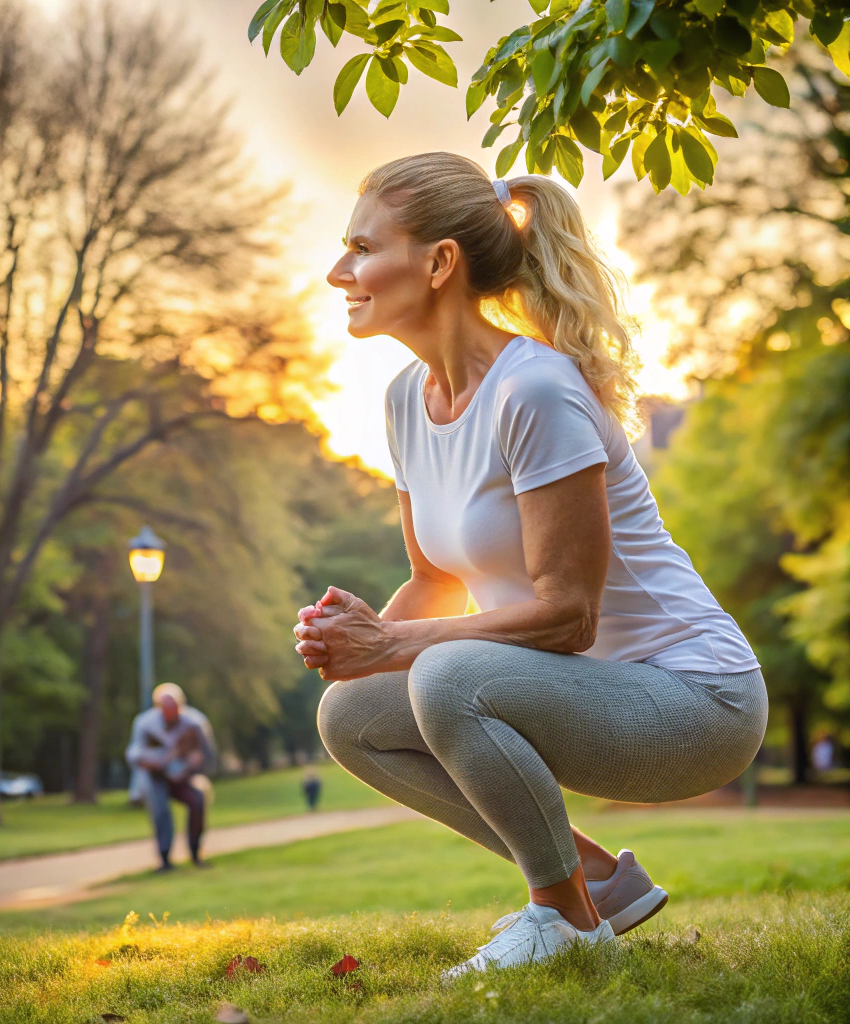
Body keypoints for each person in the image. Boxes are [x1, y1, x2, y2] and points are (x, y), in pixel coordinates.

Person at [300, 153, 766, 982]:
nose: (340, 271)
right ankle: (593, 884)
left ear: (440, 262)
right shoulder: (407, 400)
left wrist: (394, 646)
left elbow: (567, 616)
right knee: (350, 716)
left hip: (695, 700)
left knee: (445, 676)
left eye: (362, 247)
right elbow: (435, 580)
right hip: (576, 692)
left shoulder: (536, 391)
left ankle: (562, 919)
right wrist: (356, 641)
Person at [125, 683, 217, 871]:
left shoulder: (194, 723)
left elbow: (208, 755)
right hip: (155, 777)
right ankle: (165, 860)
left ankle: (195, 853)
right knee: (160, 811)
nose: (170, 713)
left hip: (183, 777)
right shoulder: (145, 723)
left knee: (197, 800)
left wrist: (192, 765)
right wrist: (153, 764)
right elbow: (133, 754)